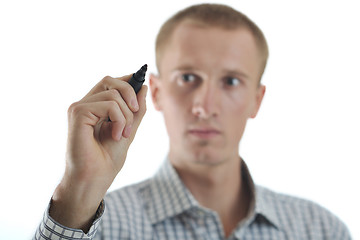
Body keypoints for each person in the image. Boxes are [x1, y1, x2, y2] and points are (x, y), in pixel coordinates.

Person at [34, 3, 351, 240]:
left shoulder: (321, 230)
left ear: (257, 100)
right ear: (155, 93)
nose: (205, 107)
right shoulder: (93, 227)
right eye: (187, 77)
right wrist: (78, 190)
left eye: (231, 82)